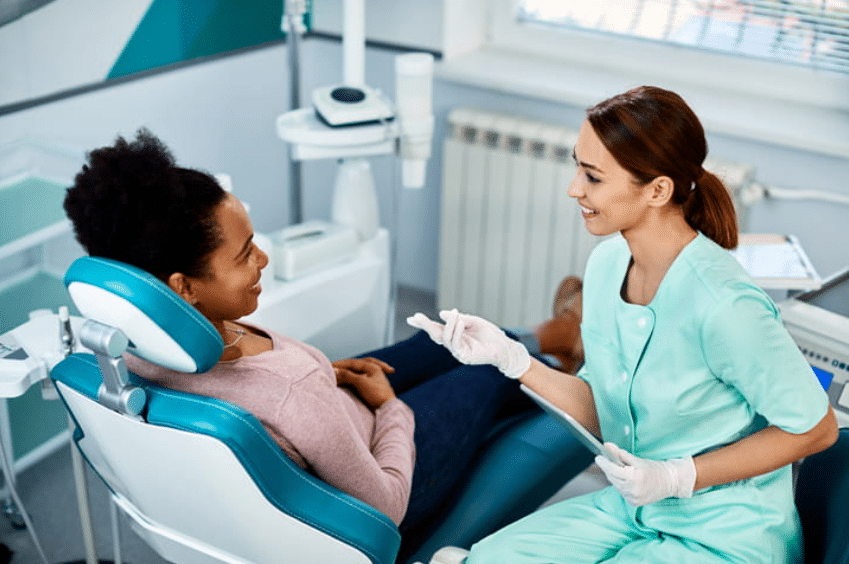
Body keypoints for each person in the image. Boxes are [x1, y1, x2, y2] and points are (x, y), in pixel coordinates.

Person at [61, 129, 586, 562]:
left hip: (326, 413)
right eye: (245, 254)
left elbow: (265, 400)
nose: (263, 260)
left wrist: (319, 375)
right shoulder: (292, 391)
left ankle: (555, 337)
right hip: (389, 469)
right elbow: (387, 506)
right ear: (183, 287)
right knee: (486, 367)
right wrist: (390, 408)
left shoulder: (127, 352)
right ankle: (589, 370)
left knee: (447, 336)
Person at [408, 85, 838, 564]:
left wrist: (678, 477)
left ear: (658, 190)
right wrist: (511, 359)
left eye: (592, 176)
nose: (574, 188)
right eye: (578, 168)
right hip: (634, 510)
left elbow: (815, 430)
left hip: (725, 534)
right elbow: (602, 409)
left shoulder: (725, 304)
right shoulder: (608, 264)